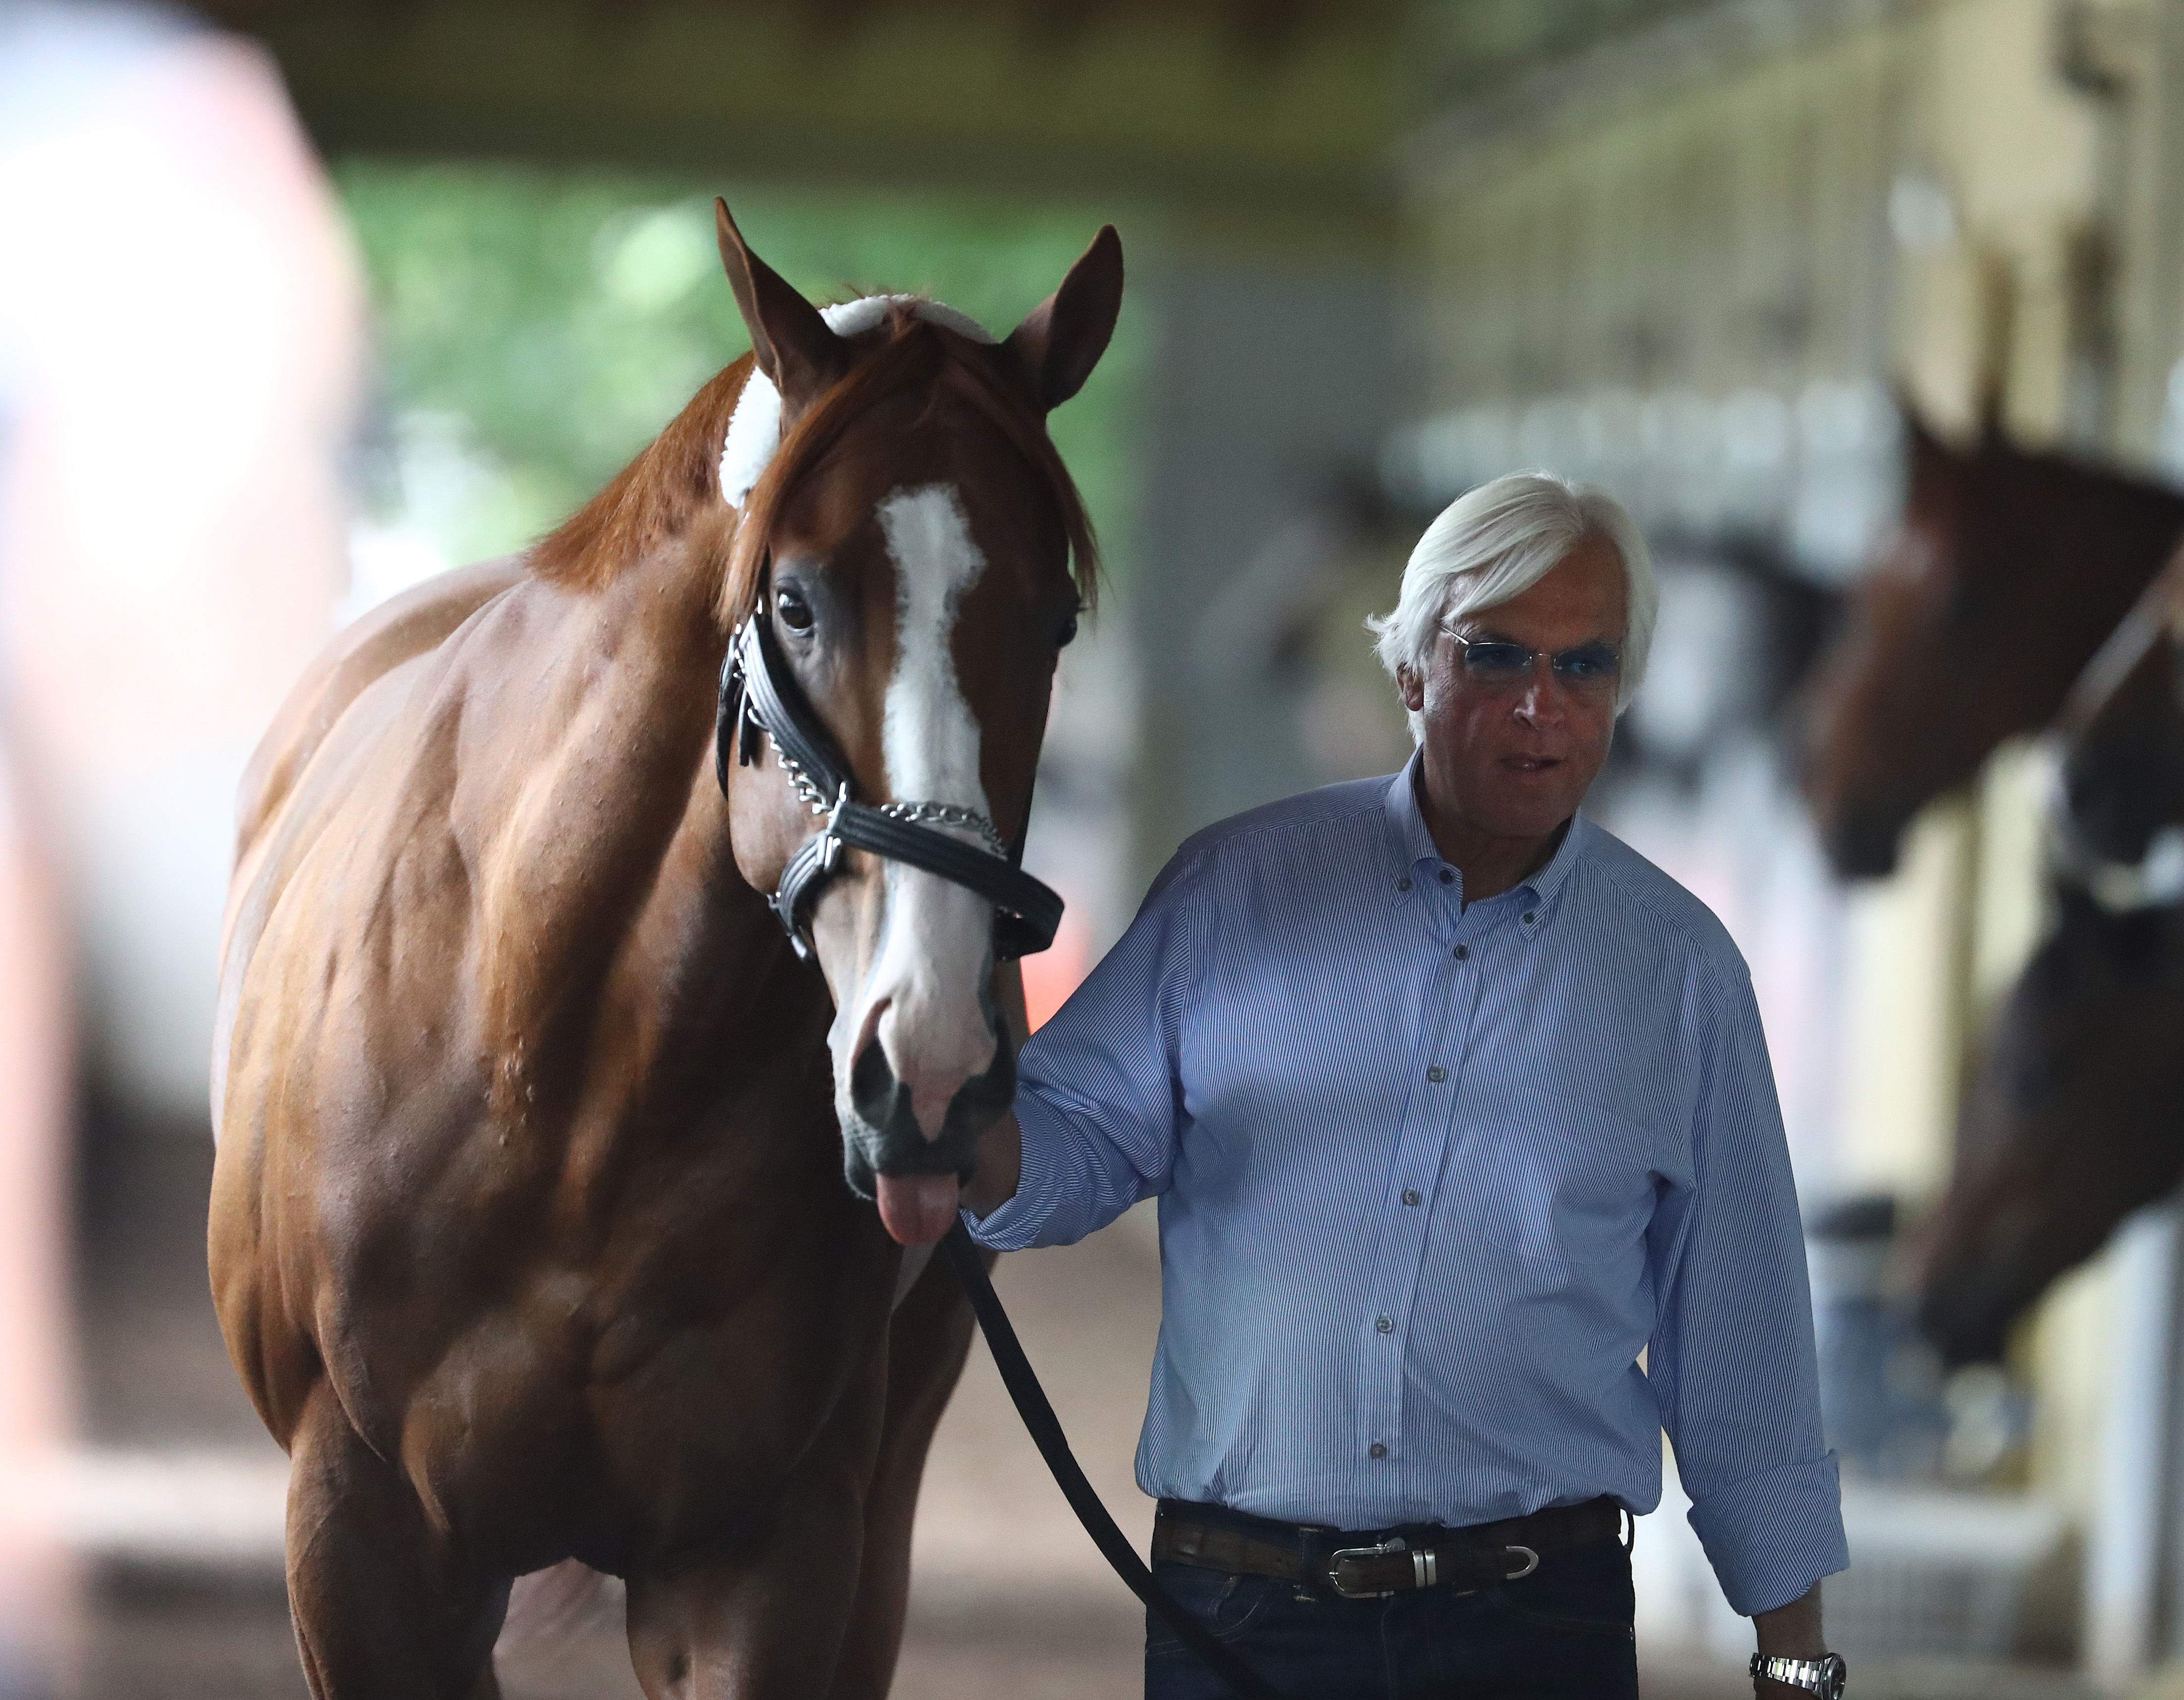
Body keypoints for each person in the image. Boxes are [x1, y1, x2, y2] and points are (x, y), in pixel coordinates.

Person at [962, 471, 1850, 1700]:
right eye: (1496, 656)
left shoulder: (1683, 974)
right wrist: (953, 1120)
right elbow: (1067, 1158)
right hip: (1244, 1614)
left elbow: (1741, 1341)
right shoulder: (1232, 896)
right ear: (1409, 669)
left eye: (1584, 667)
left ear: (1622, 696)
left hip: (1538, 1630)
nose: (1542, 706)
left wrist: (1795, 1661)